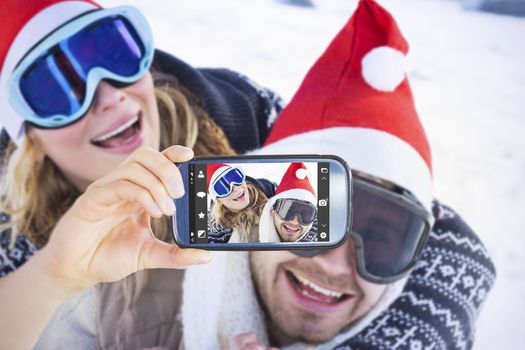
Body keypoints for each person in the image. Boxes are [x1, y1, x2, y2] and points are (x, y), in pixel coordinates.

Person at [34, 0, 494, 349]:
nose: (334, 263)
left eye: (380, 240)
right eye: (310, 213)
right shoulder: (116, 301)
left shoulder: (422, 313)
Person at [0, 0, 284, 348]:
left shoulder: (253, 124)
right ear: (31, 142)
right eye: (60, 93)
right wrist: (53, 273)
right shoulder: (9, 242)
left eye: (115, 54)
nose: (110, 96)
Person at [206, 163, 275, 243]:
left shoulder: (267, 189)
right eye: (223, 188)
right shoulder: (216, 233)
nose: (235, 188)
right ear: (218, 201)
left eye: (236, 177)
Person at [258, 162, 318, 243]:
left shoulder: (320, 247)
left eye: (305, 215)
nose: (295, 222)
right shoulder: (247, 237)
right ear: (272, 211)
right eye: (288, 211)